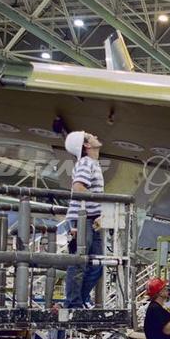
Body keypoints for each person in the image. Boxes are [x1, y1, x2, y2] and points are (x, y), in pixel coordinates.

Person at [64, 130, 104, 308]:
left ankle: (77, 301)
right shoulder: (86, 163)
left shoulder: (91, 163)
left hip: (90, 219)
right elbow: (79, 187)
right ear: (86, 145)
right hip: (83, 219)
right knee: (81, 263)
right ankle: (74, 303)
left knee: (96, 265)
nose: (95, 135)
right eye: (90, 136)